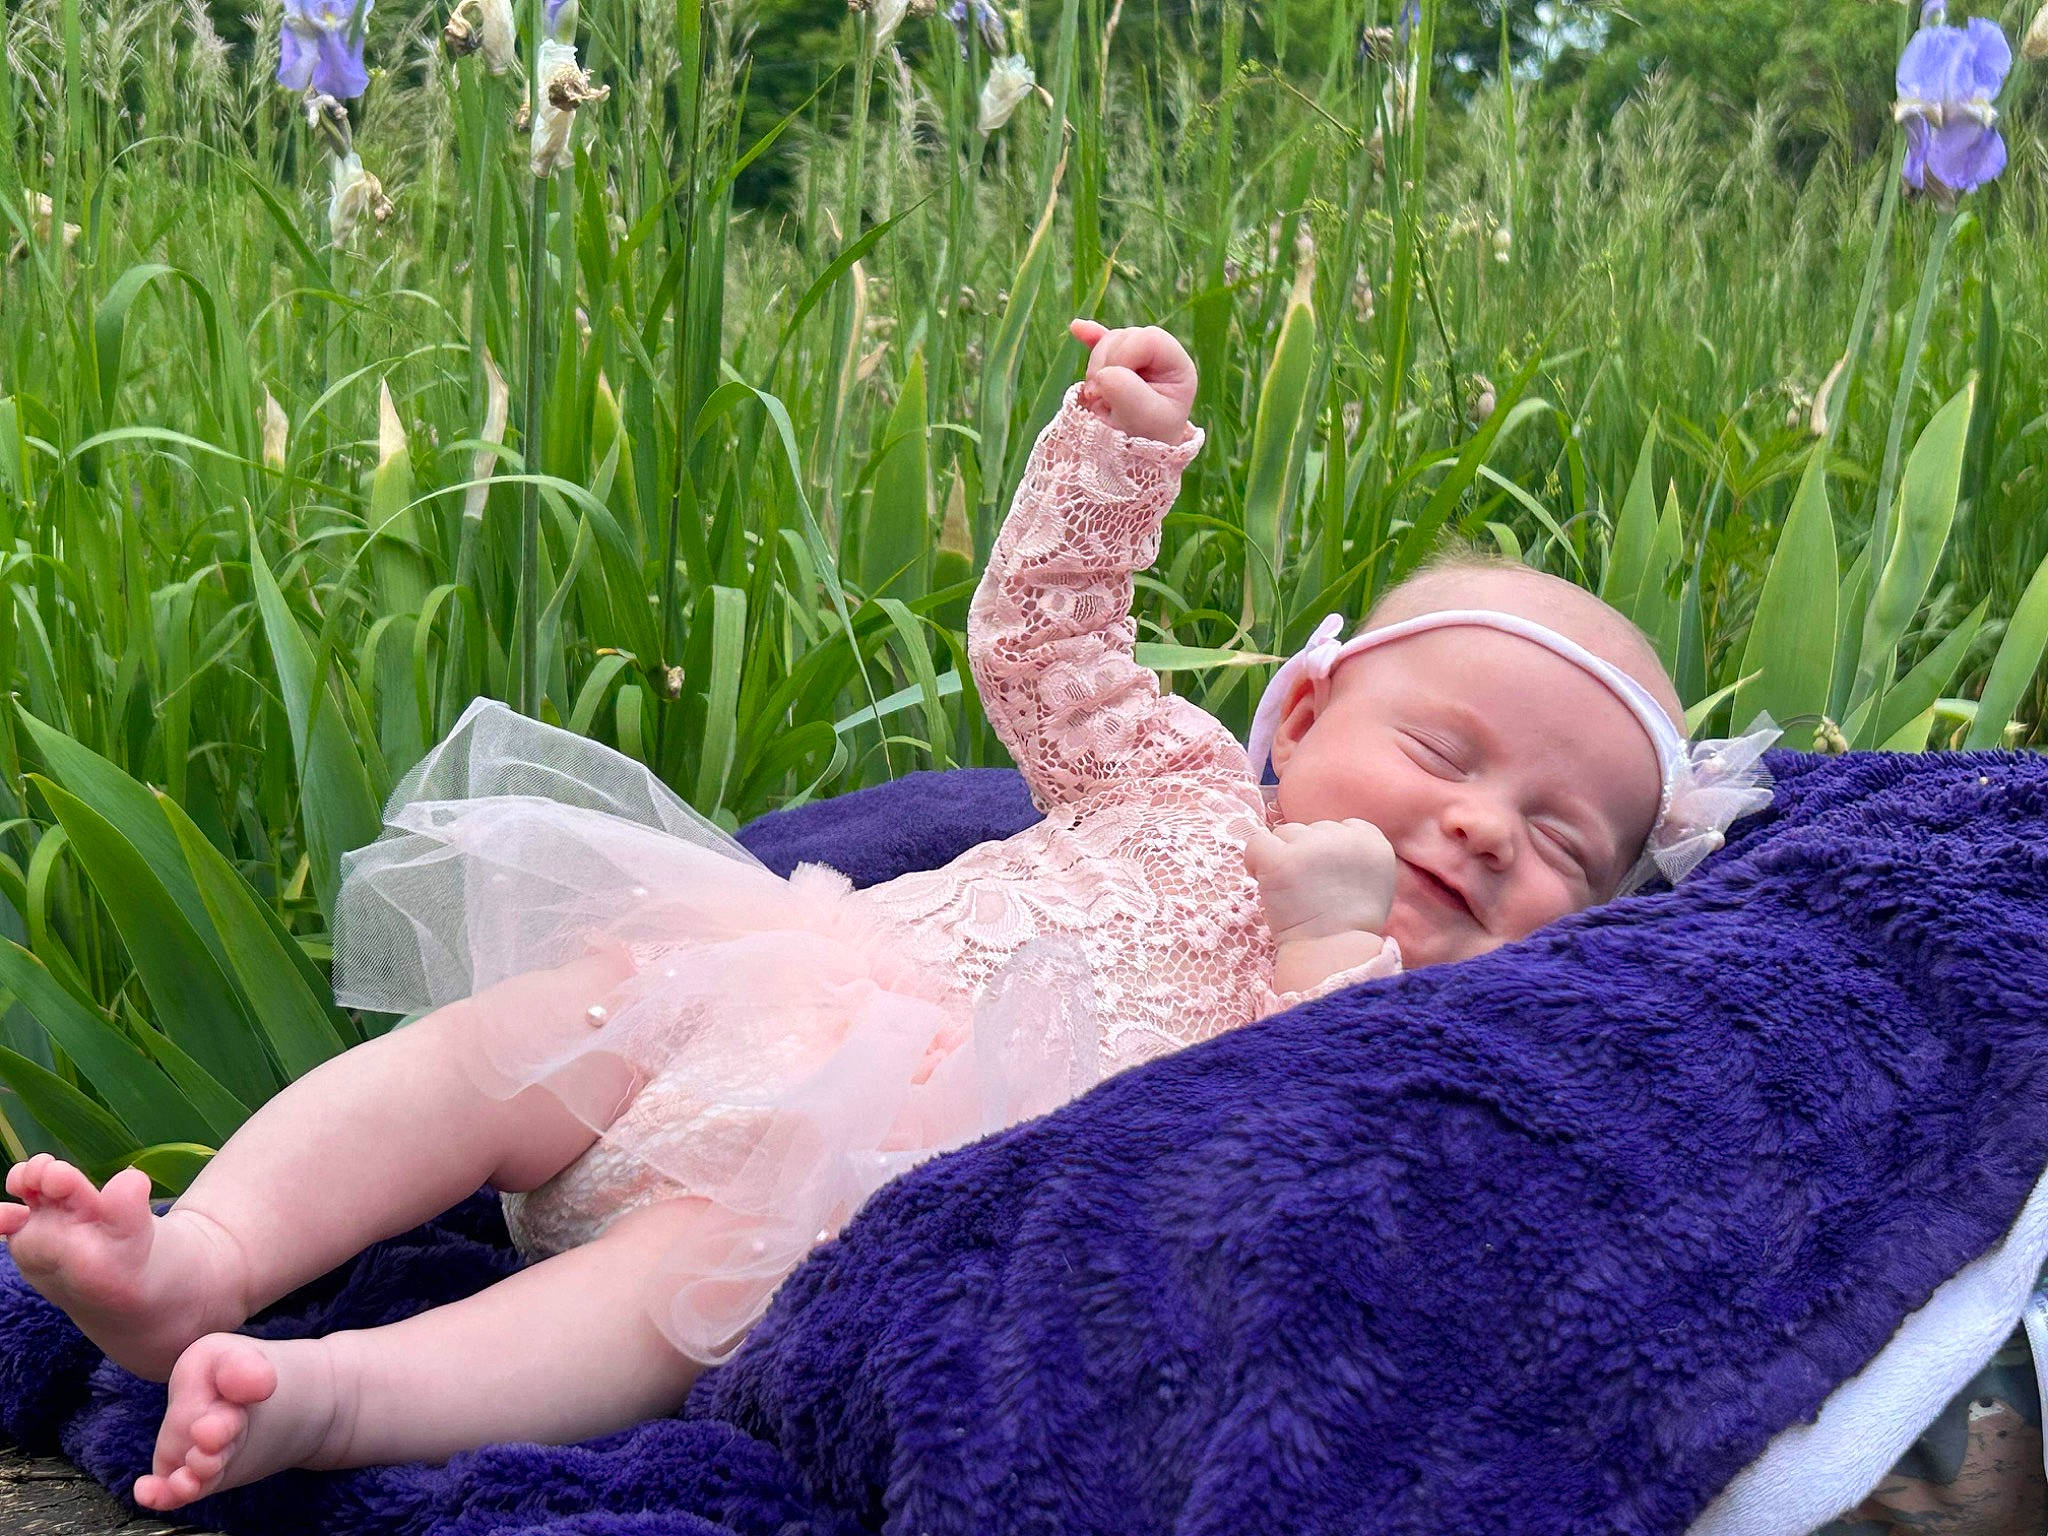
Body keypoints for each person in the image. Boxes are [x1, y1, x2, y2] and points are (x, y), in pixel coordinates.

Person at [0, 320, 1774, 1512]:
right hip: (782, 980)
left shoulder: (1407, 1005)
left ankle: (330, 1402)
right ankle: (215, 1255)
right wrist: (1116, 449)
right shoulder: (1175, 780)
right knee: (521, 1033)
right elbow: (1043, 648)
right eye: (1444, 752)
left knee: (664, 1300)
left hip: (868, 1179)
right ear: (1300, 722)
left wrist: (1328, 942)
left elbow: (1316, 1128)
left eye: (1560, 841)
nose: (1479, 823)